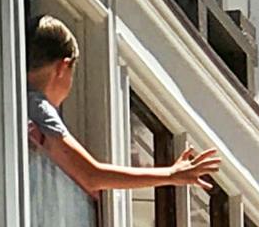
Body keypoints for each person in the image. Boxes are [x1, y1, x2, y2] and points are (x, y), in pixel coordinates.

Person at [27, 16, 219, 203]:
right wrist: (170, 174)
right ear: (63, 66)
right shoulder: (38, 107)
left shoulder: (15, 97)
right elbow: (91, 175)